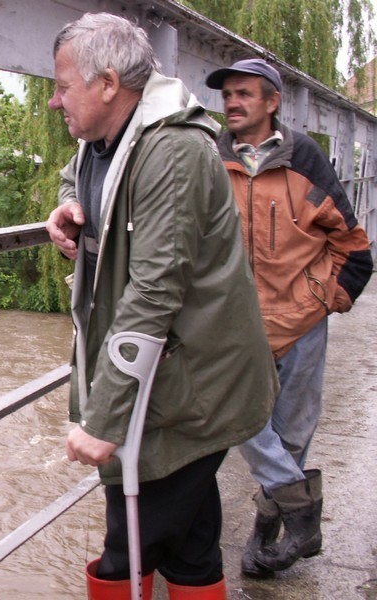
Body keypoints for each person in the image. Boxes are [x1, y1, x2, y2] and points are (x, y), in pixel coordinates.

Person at [46, 13, 278, 600]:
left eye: (62, 85)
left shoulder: (172, 149)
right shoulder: (105, 138)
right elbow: (77, 176)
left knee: (130, 542)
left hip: (194, 384)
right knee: (191, 542)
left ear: (105, 84)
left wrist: (103, 420)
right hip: (173, 377)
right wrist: (69, 206)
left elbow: (155, 292)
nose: (54, 101)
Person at [205, 58, 373, 579]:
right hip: (235, 327)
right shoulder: (209, 158)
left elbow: (355, 249)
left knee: (293, 435)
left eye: (244, 94)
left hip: (300, 324)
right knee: (240, 418)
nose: (232, 103)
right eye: (227, 94)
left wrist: (321, 302)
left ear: (272, 101)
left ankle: (266, 533)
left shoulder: (305, 159)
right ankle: (304, 513)